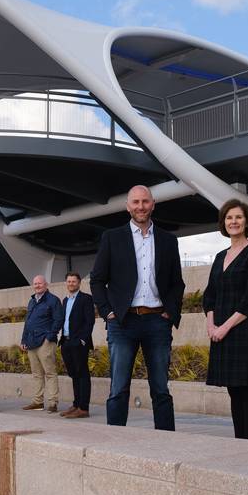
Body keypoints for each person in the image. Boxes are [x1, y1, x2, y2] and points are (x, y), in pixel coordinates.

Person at [90, 184, 185, 430]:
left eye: (145, 201)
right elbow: (97, 280)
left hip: (157, 321)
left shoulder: (168, 240)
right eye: (135, 202)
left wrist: (170, 312)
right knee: (118, 388)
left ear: (153, 204)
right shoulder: (112, 238)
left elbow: (177, 283)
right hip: (123, 322)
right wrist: (108, 313)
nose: (140, 206)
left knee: (161, 390)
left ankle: (166, 443)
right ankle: (115, 445)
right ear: (127, 206)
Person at [202, 200, 248, 439]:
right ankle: (238, 438)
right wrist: (211, 325)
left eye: (238, 217)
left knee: (247, 388)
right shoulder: (220, 257)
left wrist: (225, 327)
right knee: (233, 389)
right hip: (219, 330)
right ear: (223, 223)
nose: (233, 222)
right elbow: (210, 296)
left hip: (243, 329)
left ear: (247, 221)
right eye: (229, 218)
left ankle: (247, 441)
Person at [20, 275, 64, 413]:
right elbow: (28, 322)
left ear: (46, 285)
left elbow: (59, 319)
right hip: (31, 342)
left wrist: (49, 337)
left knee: (50, 373)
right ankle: (38, 402)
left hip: (45, 341)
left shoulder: (53, 300)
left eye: (40, 283)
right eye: (35, 284)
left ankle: (53, 403)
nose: (37, 286)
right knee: (37, 374)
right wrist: (23, 340)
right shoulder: (32, 301)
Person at [59, 272, 95, 419]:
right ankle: (76, 404)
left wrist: (82, 340)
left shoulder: (86, 299)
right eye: (69, 281)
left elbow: (89, 321)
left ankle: (84, 408)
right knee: (74, 374)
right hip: (66, 341)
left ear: (79, 283)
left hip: (78, 342)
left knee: (82, 374)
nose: (71, 284)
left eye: (74, 281)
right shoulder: (65, 301)